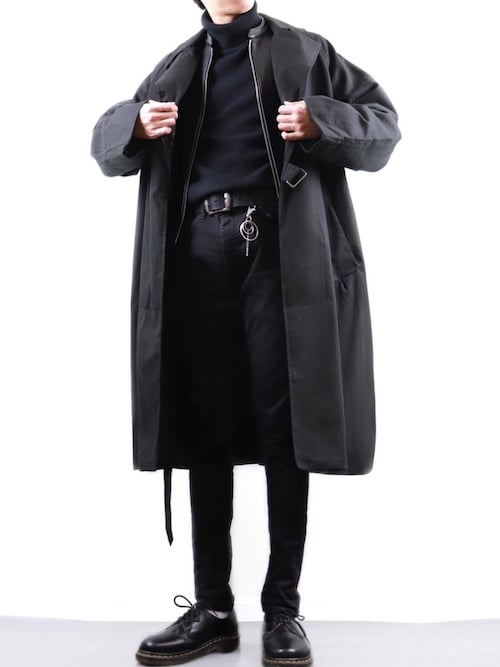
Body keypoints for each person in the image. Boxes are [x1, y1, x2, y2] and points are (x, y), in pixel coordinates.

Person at [91, 1, 401, 664]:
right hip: (194, 256)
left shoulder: (307, 51)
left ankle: (283, 610)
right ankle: (213, 610)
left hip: (283, 255)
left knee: (287, 422)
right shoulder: (176, 65)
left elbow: (383, 124)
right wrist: (135, 125)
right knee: (204, 426)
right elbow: (105, 145)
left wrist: (322, 120)